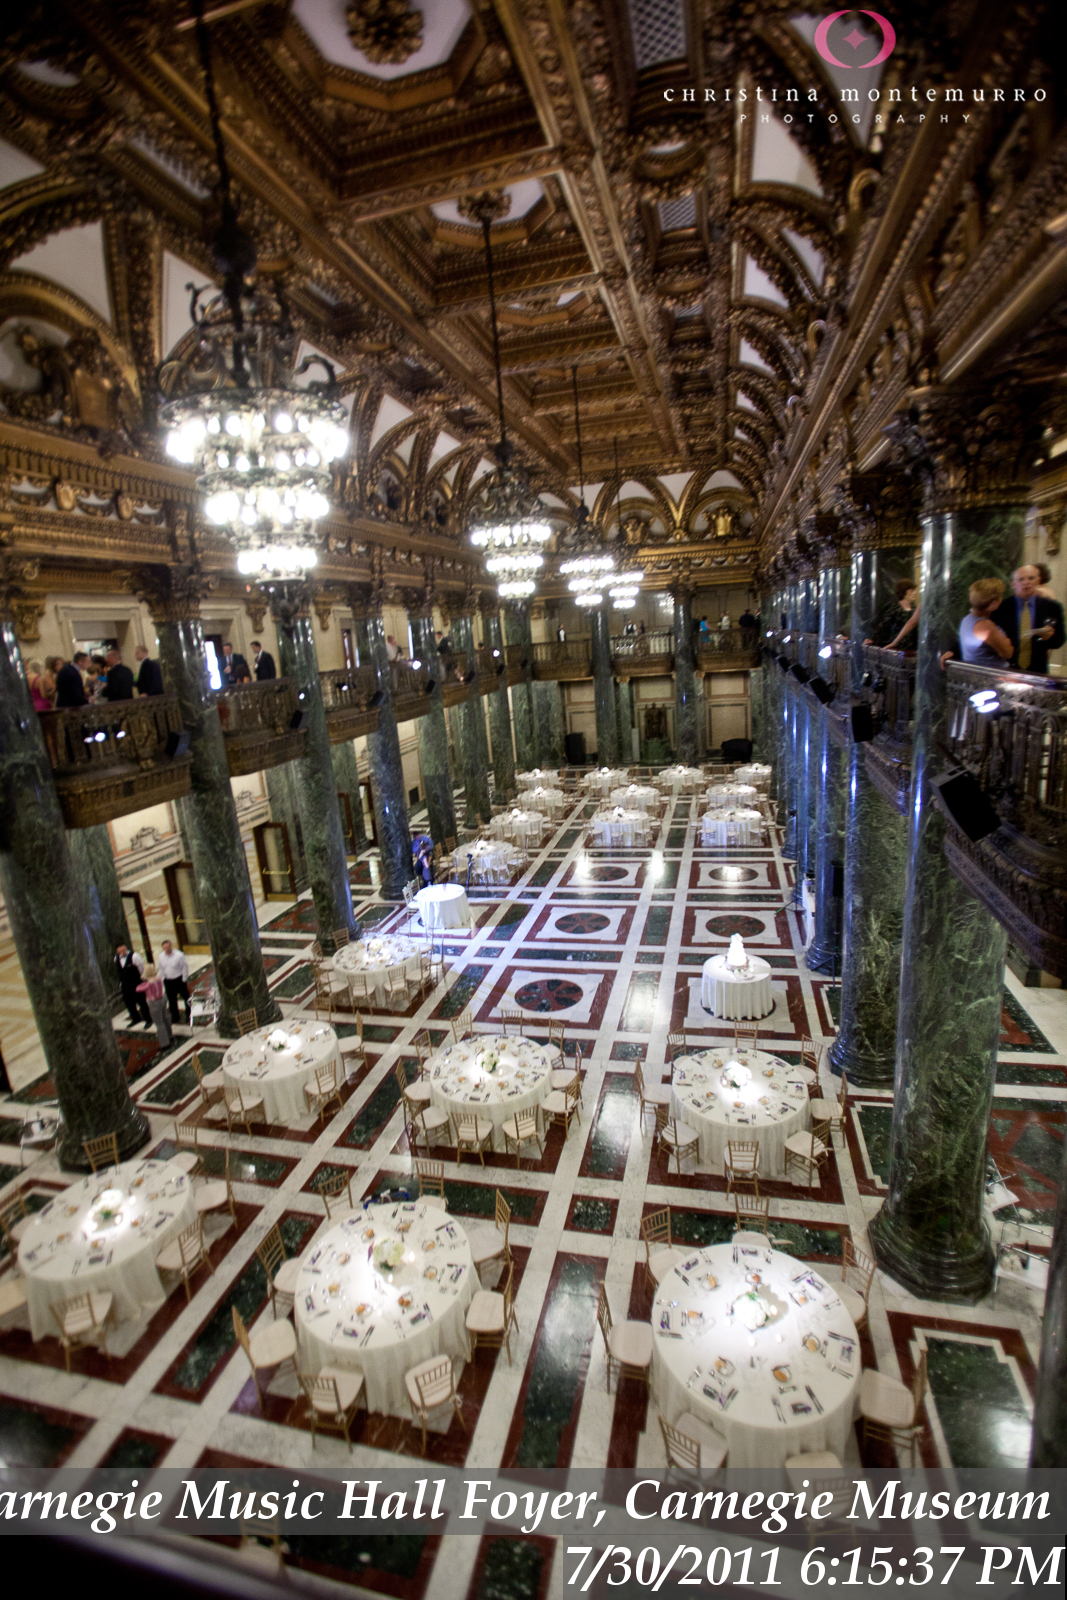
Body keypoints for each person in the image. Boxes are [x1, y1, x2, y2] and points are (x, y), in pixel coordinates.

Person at [991, 564, 1066, 674]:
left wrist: (1048, 638)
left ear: (1038, 581)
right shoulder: (1001, 608)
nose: (1026, 582)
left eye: (1031, 578)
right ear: (1013, 584)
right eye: (1021, 579)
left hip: (1037, 671)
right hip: (1006, 670)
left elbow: (1060, 640)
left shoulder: (1052, 607)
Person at [959, 579, 1015, 664]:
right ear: (993, 603)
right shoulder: (985, 626)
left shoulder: (966, 619)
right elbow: (1008, 653)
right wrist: (1006, 641)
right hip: (991, 675)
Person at [867, 578, 917, 647]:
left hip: (914, 646)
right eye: (911, 591)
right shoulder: (893, 608)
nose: (914, 593)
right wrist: (874, 640)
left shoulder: (915, 609)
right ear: (904, 592)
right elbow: (883, 626)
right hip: (897, 646)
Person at [135, 962, 172, 1049]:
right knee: (165, 1018)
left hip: (154, 1003)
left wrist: (144, 982)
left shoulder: (149, 984)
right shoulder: (159, 978)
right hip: (163, 999)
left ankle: (164, 1043)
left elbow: (138, 989)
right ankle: (170, 1035)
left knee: (159, 1023)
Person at [115, 942, 151, 1028]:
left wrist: (142, 979)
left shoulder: (134, 956)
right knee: (129, 1003)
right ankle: (135, 1018)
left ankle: (148, 1019)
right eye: (120, 951)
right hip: (125, 985)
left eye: (124, 950)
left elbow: (141, 968)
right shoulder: (116, 959)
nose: (123, 952)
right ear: (117, 951)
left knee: (141, 1002)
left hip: (136, 983)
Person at [158, 938, 191, 1026]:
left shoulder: (179, 955)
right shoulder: (161, 956)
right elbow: (161, 968)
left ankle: (189, 1014)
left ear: (171, 946)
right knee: (172, 1000)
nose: (167, 949)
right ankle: (175, 1016)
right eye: (165, 948)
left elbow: (184, 967)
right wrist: (162, 978)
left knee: (186, 997)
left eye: (168, 947)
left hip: (179, 979)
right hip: (168, 981)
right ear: (163, 948)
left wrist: (184, 979)